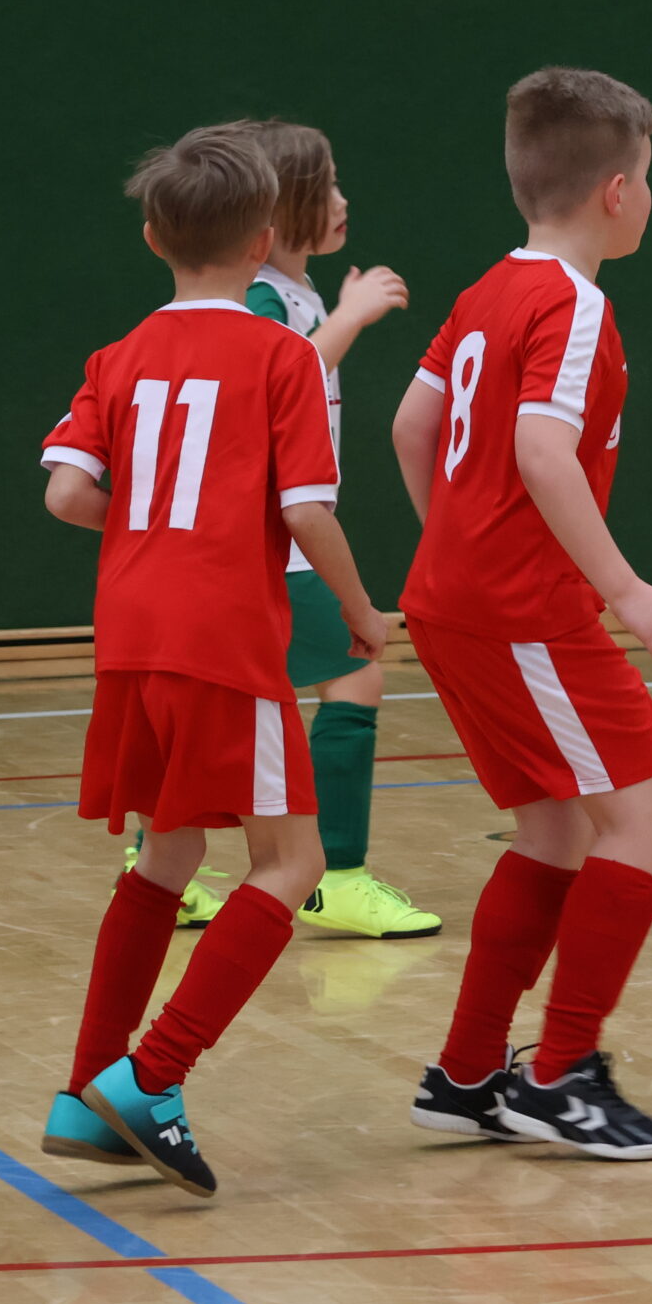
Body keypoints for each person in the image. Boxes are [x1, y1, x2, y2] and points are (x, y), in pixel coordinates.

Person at [36, 123, 391, 1195]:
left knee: (168, 854)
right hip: (224, 636)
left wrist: (156, 526)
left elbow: (66, 494)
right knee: (290, 863)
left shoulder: (117, 356)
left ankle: (85, 1090)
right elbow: (308, 509)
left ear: (153, 238)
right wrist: (359, 607)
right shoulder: (284, 355)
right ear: (264, 241)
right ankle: (153, 1078)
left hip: (131, 636)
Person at [390, 67, 652, 1160]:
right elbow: (540, 449)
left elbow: (410, 429)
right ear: (616, 191)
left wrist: (454, 543)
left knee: (555, 829)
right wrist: (624, 586)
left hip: (452, 600)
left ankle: (468, 1073)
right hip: (526, 608)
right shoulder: (574, 303)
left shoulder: (486, 292)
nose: (650, 195)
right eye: (648, 177)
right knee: (646, 823)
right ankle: (560, 1074)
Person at [229, 119, 440, 939]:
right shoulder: (261, 297)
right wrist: (350, 316)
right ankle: (337, 875)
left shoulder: (293, 290)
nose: (345, 200)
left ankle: (158, 865)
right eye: (329, 188)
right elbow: (277, 380)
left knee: (224, 704)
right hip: (271, 537)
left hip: (261, 537)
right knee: (357, 675)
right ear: (280, 213)